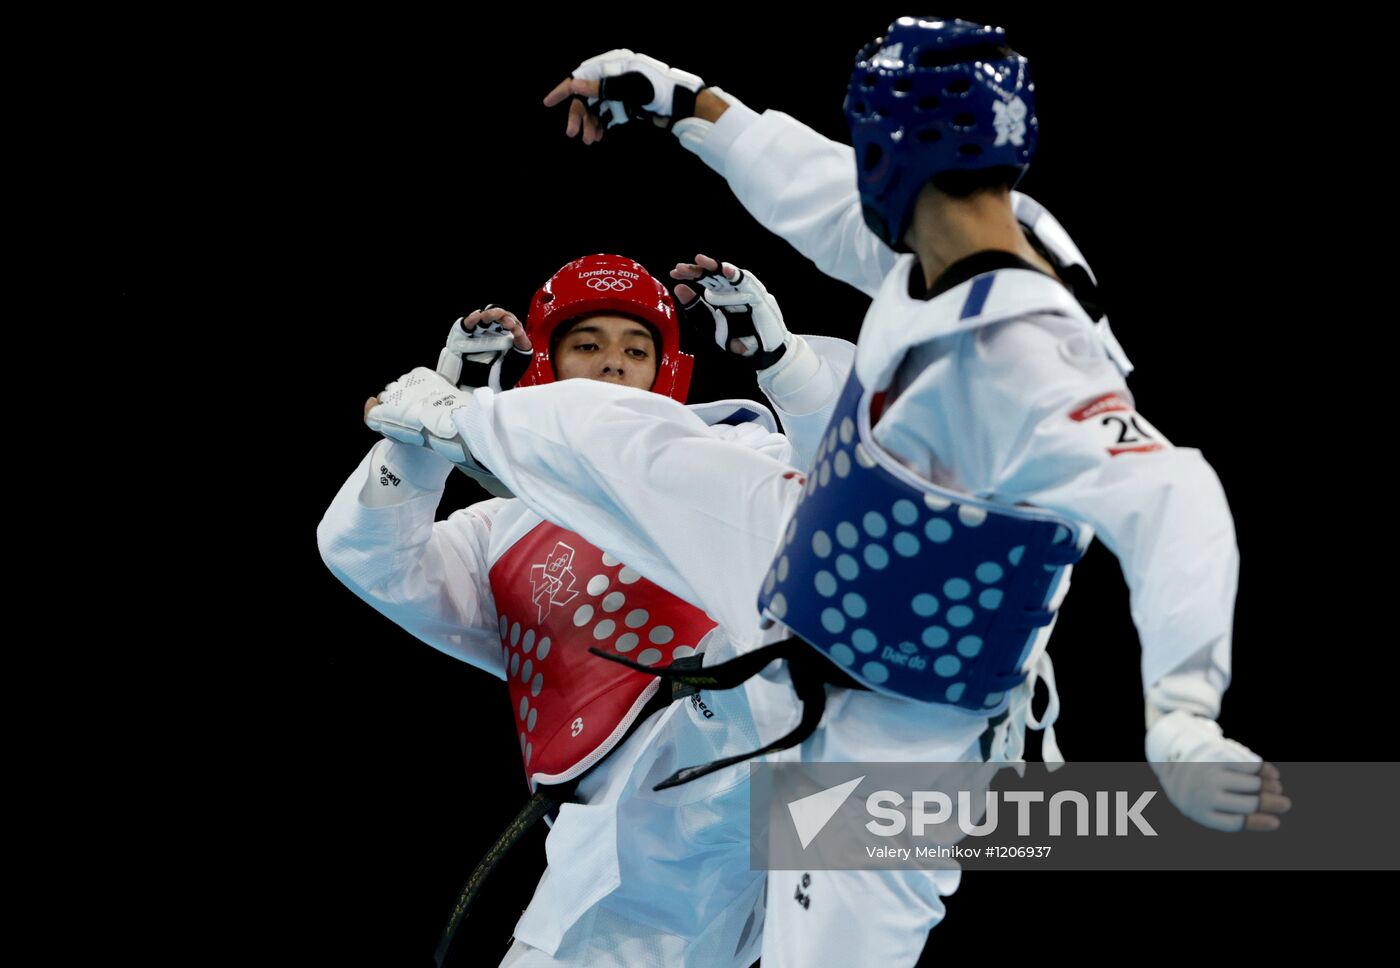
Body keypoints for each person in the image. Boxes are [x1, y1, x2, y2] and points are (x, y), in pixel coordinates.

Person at [517, 18, 1289, 965]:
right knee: (624, 443)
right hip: (826, 594)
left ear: (890, 151)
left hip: (906, 724)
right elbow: (811, 189)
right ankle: (455, 420)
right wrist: (683, 103)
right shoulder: (981, 227)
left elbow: (1177, 493)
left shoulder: (1021, 356)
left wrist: (1182, 713)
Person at [319, 251, 850, 967]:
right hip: (637, 834)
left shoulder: (735, 449)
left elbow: (848, 515)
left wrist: (787, 366)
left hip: (764, 740)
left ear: (667, 369)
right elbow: (368, 557)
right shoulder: (498, 535)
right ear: (543, 366)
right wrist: (429, 434)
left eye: (637, 349)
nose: (613, 365)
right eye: (587, 346)